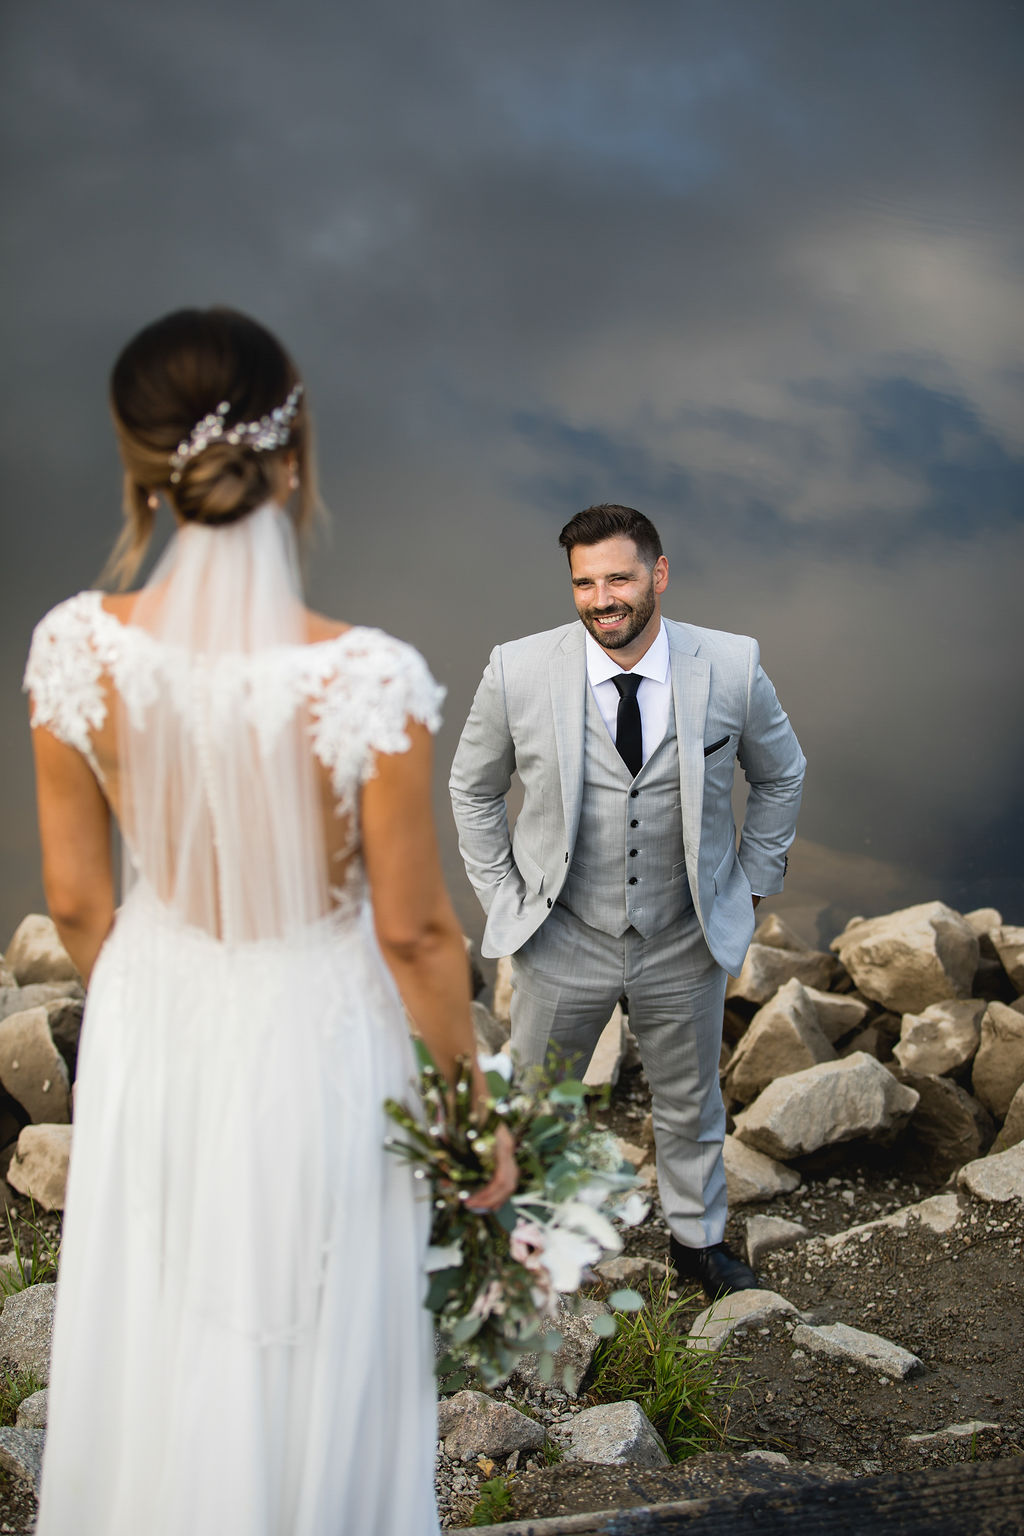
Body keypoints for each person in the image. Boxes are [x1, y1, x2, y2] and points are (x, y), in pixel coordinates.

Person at [24, 307, 515, 1536]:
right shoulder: (364, 678)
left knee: (162, 1314)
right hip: (317, 1025)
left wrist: (158, 991)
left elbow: (76, 900)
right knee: (313, 1322)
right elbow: (416, 935)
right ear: (291, 459)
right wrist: (471, 1118)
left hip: (155, 1012)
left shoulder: (73, 648)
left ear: (142, 470)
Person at [450, 503, 804, 1298]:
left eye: (619, 578)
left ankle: (698, 1244)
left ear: (659, 574)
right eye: (584, 583)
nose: (602, 599)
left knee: (690, 1102)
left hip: (683, 934)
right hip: (561, 935)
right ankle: (526, 1249)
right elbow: (472, 790)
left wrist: (750, 884)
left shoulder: (732, 664)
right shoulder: (516, 669)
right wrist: (503, 896)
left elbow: (781, 774)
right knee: (537, 1105)